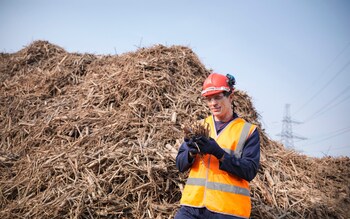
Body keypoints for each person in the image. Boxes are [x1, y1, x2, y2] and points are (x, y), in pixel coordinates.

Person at [174, 73, 260, 219]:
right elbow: (180, 165)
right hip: (193, 206)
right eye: (209, 99)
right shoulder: (199, 126)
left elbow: (250, 171)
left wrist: (219, 154)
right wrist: (190, 153)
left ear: (231, 97)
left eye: (218, 97)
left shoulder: (248, 131)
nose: (213, 103)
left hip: (228, 210)